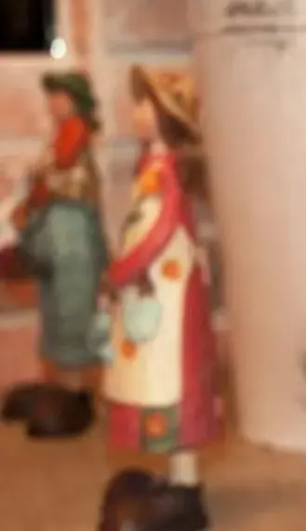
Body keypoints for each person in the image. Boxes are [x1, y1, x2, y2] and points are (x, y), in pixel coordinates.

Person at [96, 66, 221, 531]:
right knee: (159, 379)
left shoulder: (165, 174)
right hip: (153, 291)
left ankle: (186, 487)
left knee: (173, 380)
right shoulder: (151, 167)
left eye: (145, 104)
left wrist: (122, 270)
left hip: (167, 294)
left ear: (166, 117)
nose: (136, 112)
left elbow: (159, 231)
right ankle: (179, 480)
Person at [0, 71, 107, 438]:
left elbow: (57, 177)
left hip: (71, 239)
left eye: (59, 96)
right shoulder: (61, 135)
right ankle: (59, 388)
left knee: (72, 312)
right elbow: (45, 181)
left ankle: (76, 394)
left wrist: (33, 193)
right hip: (55, 234)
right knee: (55, 312)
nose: (53, 103)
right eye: (52, 96)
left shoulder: (76, 134)